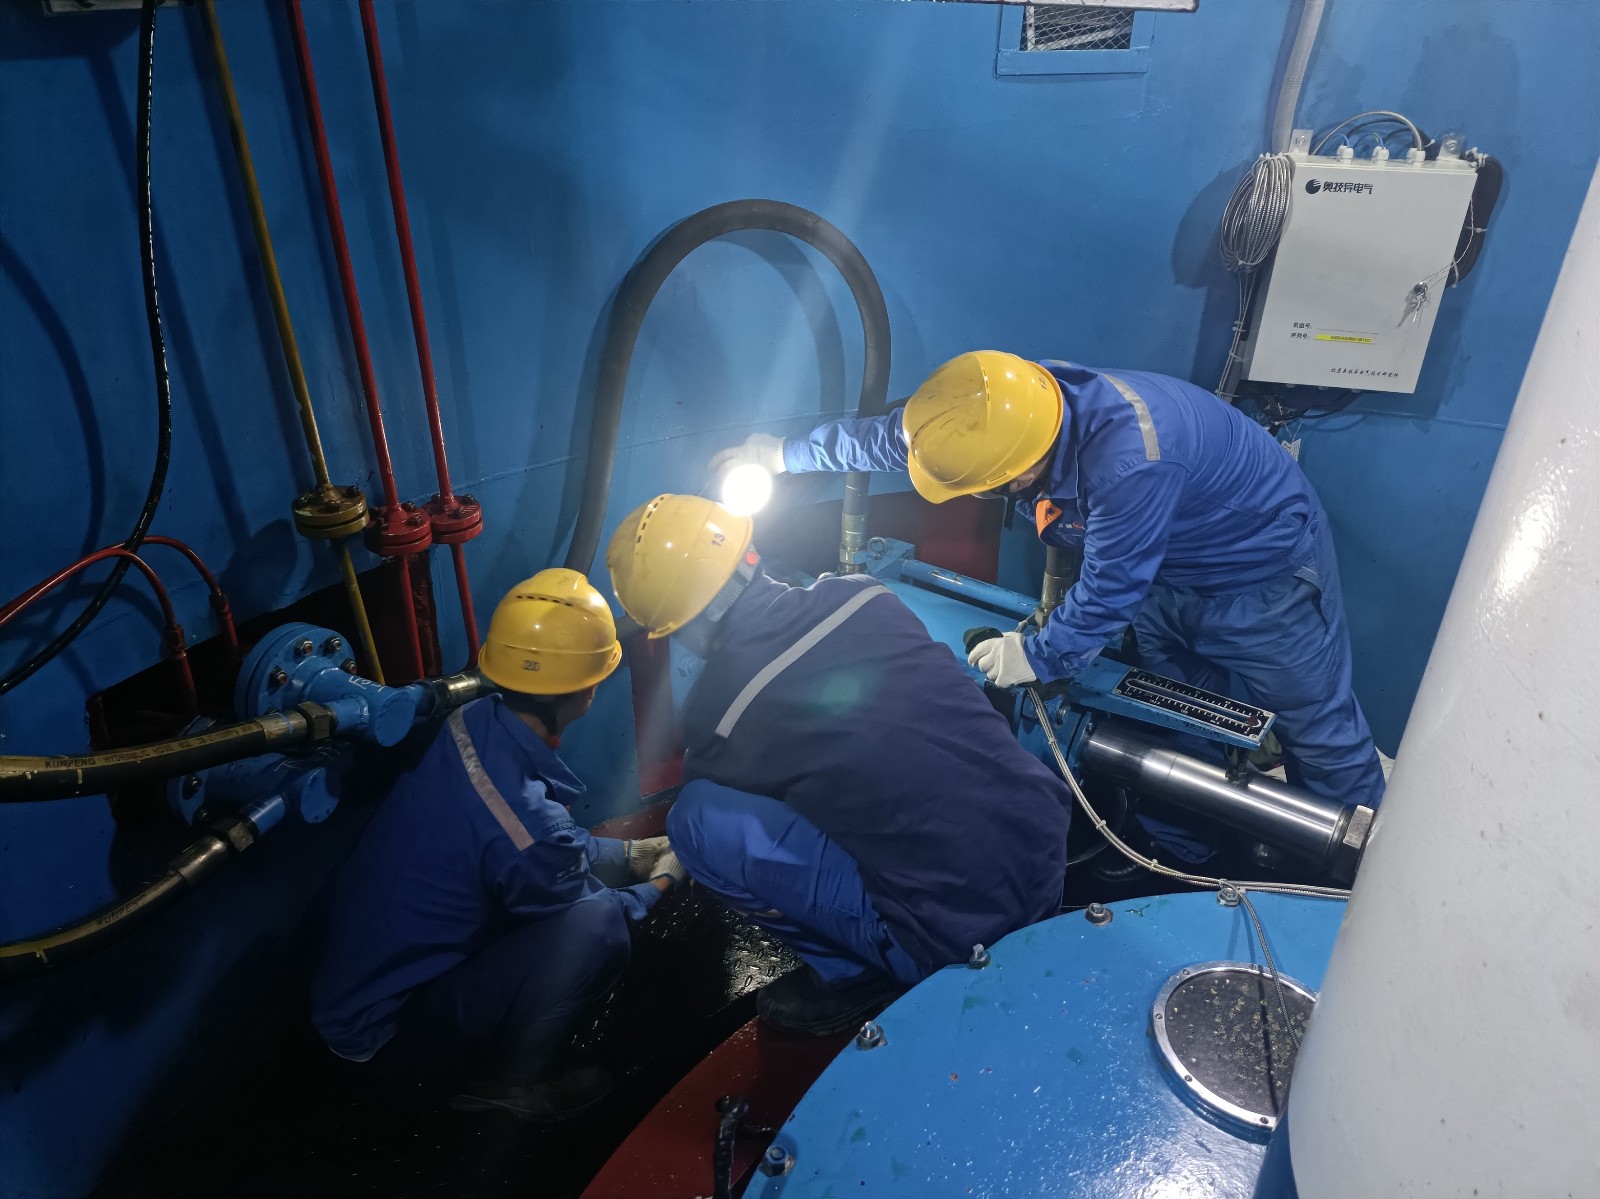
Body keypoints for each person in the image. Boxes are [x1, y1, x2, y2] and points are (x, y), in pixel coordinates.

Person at [710, 351, 1386, 829]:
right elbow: (900, 442)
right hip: (1166, 578)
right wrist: (784, 456)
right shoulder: (1006, 410)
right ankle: (1198, 854)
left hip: (1261, 581)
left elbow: (1111, 587)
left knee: (1319, 731)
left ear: (1020, 471)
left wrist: (1038, 655)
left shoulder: (1128, 461)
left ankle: (1352, 889)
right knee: (1182, 722)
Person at [606, 494, 1071, 1036]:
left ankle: (857, 976)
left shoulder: (721, 709)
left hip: (959, 933)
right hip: (1046, 860)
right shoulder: (865, 594)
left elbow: (727, 790)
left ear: (688, 624)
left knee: (694, 823)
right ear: (749, 552)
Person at [309, 570, 685, 1122]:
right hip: (388, 1034)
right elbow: (559, 873)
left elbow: (534, 844)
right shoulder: (525, 822)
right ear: (586, 690)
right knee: (598, 929)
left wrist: (628, 855)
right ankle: (509, 1085)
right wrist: (662, 881)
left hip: (353, 984)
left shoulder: (471, 720)